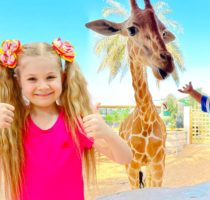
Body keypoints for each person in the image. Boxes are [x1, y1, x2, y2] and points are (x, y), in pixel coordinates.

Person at [0, 38, 133, 200]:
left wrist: (106, 132)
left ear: (62, 78)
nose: (43, 86)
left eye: (50, 77)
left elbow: (125, 157)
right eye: (32, 79)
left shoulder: (76, 122)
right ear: (18, 81)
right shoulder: (11, 124)